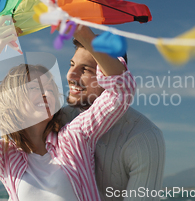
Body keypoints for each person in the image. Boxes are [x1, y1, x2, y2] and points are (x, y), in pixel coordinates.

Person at [0, 16, 136, 201]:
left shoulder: (74, 138)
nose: (46, 94)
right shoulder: (6, 157)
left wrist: (85, 36)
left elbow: (120, 92)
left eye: (50, 89)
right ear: (14, 100)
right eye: (35, 88)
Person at [57, 27, 166, 201]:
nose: (70, 75)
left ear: (107, 75)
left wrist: (85, 35)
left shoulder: (144, 137)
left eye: (85, 69)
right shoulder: (58, 120)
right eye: (72, 65)